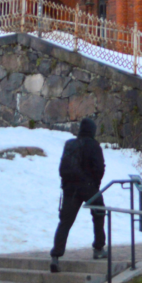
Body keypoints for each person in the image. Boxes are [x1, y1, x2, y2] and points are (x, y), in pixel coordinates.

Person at [49, 116, 106, 273]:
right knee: (99, 212)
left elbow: (63, 167)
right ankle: (99, 248)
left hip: (70, 189)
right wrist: (94, 184)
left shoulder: (70, 144)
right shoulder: (94, 145)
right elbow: (99, 168)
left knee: (65, 222)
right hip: (88, 187)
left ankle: (56, 256)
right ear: (92, 131)